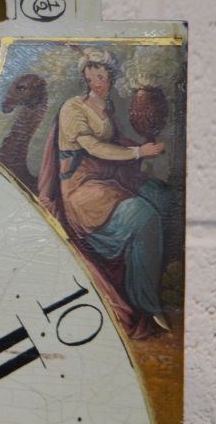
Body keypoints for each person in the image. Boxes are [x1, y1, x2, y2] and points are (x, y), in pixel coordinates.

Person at [37, 49, 173, 335]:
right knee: (143, 216)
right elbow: (94, 147)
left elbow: (112, 141)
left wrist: (142, 150)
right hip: (80, 190)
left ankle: (161, 282)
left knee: (162, 195)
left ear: (110, 76)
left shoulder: (107, 108)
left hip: (107, 180)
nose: (99, 80)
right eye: (93, 75)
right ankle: (146, 305)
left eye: (104, 74)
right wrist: (138, 151)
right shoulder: (72, 109)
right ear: (85, 77)